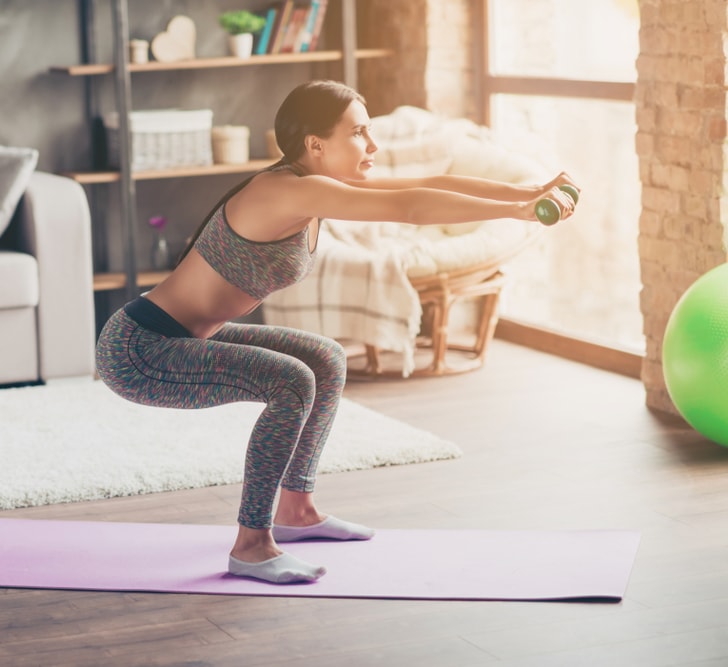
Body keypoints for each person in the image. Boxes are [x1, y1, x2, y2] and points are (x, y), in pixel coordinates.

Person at [95, 80, 577, 585]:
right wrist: (519, 212)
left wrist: (531, 193)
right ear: (315, 144)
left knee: (325, 358)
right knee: (291, 381)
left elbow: (430, 183)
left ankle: (297, 510)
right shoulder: (285, 190)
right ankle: (252, 544)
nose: (373, 146)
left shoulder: (315, 189)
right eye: (360, 133)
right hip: (140, 349)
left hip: (186, 337)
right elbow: (411, 209)